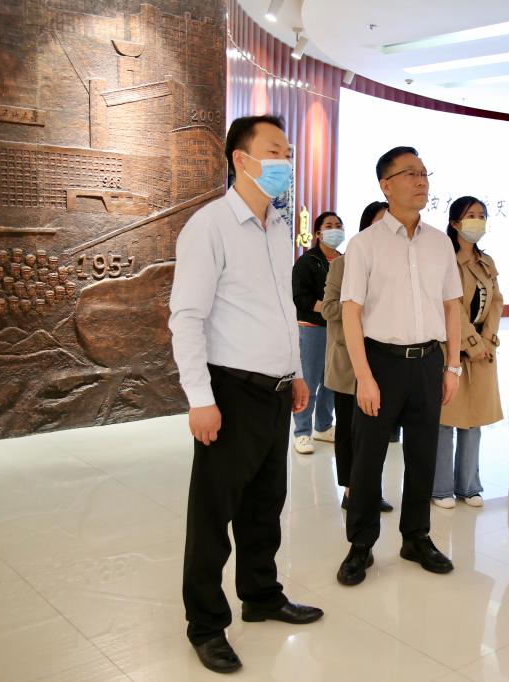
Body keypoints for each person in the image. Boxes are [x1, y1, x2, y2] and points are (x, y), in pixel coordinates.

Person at [168, 115, 323, 675]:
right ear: (241, 158)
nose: (287, 161)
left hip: (276, 392)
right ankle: (206, 624)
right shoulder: (209, 226)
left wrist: (296, 372)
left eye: (289, 152)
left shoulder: (277, 226)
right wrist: (199, 399)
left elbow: (283, 309)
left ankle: (261, 595)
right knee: (213, 516)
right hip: (230, 392)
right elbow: (187, 317)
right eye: (275, 151)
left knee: (265, 506)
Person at [336, 146, 462, 586]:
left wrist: (452, 367)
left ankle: (416, 537)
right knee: (368, 459)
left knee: (423, 454)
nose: (421, 180)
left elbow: (452, 305)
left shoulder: (440, 243)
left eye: (424, 172)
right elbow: (351, 312)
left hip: (428, 362)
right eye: (410, 173)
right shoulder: (364, 244)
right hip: (381, 364)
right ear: (385, 185)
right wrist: (364, 377)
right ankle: (361, 544)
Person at [322, 200, 393, 512]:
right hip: (348, 362)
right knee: (349, 431)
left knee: (376, 432)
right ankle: (352, 489)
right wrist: (358, 308)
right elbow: (328, 308)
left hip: (384, 361)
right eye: (380, 223)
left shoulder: (397, 265)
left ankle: (371, 488)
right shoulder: (343, 263)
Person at [432, 196, 503, 509]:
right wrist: (471, 343)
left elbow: (497, 302)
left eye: (482, 215)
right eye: (471, 215)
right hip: (451, 349)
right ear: (455, 223)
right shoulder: (444, 260)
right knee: (446, 419)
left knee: (474, 419)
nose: (478, 220)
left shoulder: (486, 261)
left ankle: (468, 486)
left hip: (482, 352)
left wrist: (487, 340)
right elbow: (451, 307)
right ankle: (440, 488)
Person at [291, 212, 342, 455]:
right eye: (329, 226)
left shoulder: (345, 260)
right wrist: (331, 308)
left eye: (338, 225)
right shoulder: (307, 261)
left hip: (338, 329)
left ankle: (323, 426)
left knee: (331, 382)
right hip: (312, 329)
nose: (335, 229)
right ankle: (302, 432)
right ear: (318, 233)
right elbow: (300, 298)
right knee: (309, 382)